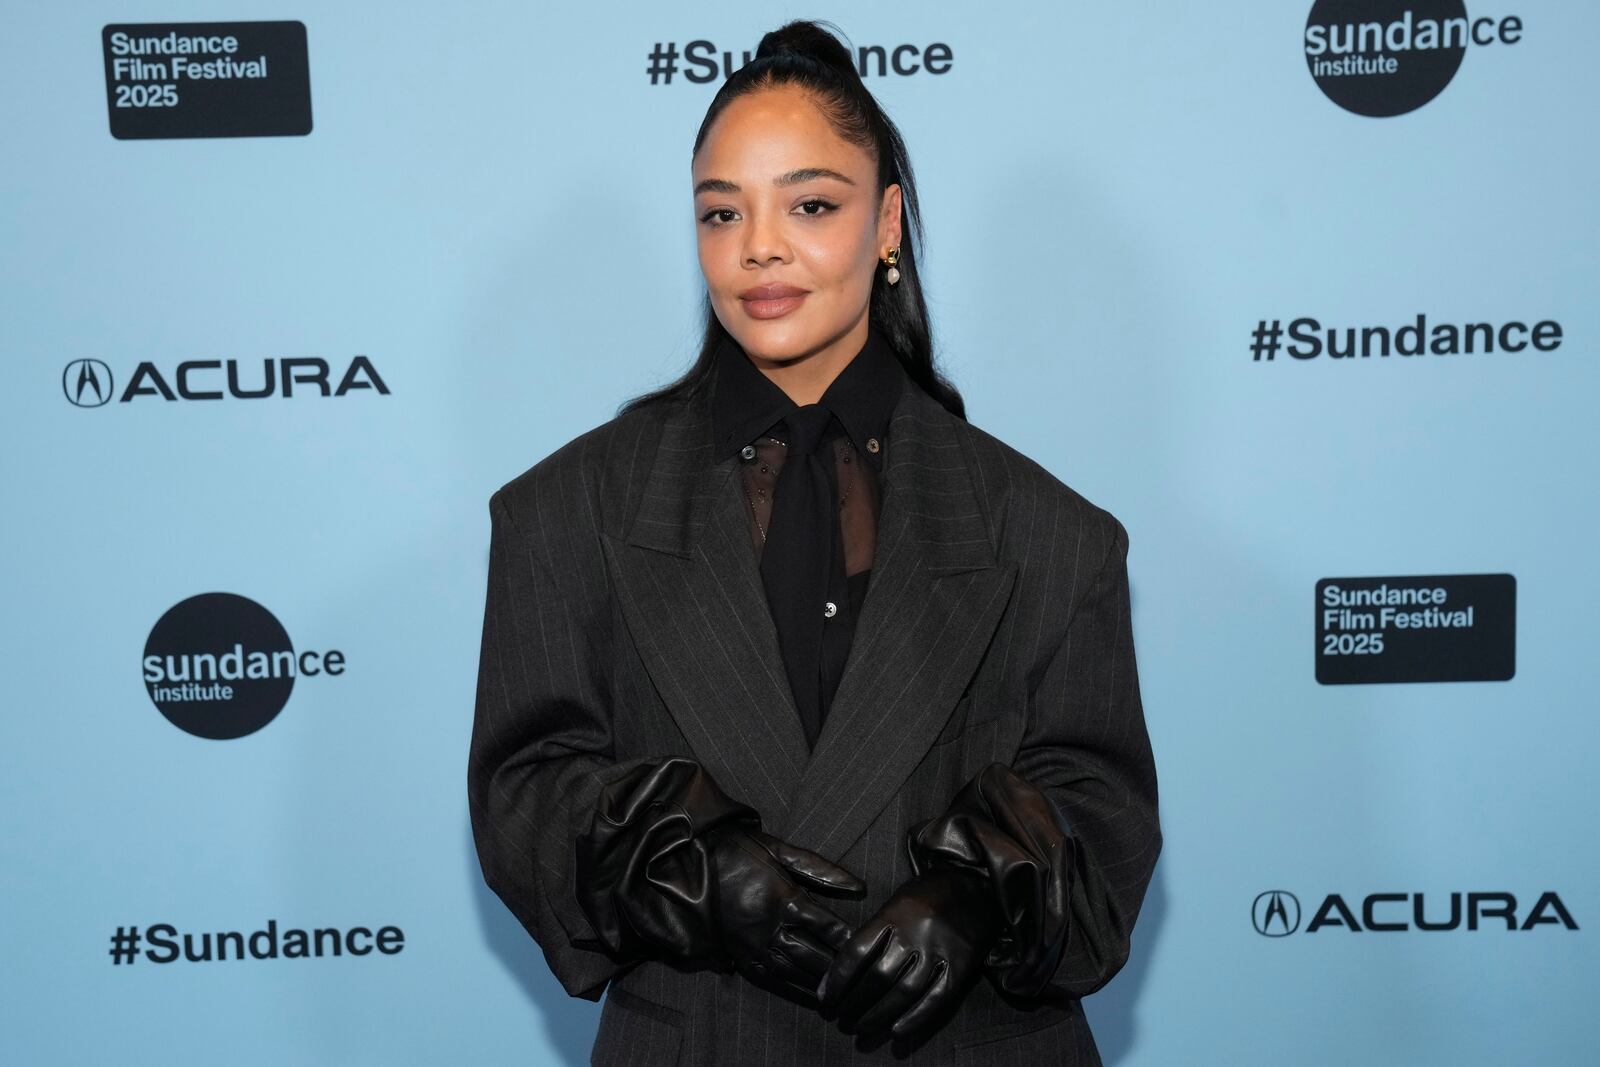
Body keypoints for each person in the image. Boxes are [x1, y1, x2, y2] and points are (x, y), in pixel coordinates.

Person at [468, 19, 1161, 1065]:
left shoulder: (1052, 535)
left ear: (886, 224)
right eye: (720, 211)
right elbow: (523, 794)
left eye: (810, 204)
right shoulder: (566, 513)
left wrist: (980, 890)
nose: (758, 247)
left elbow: (1101, 810)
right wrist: (693, 869)